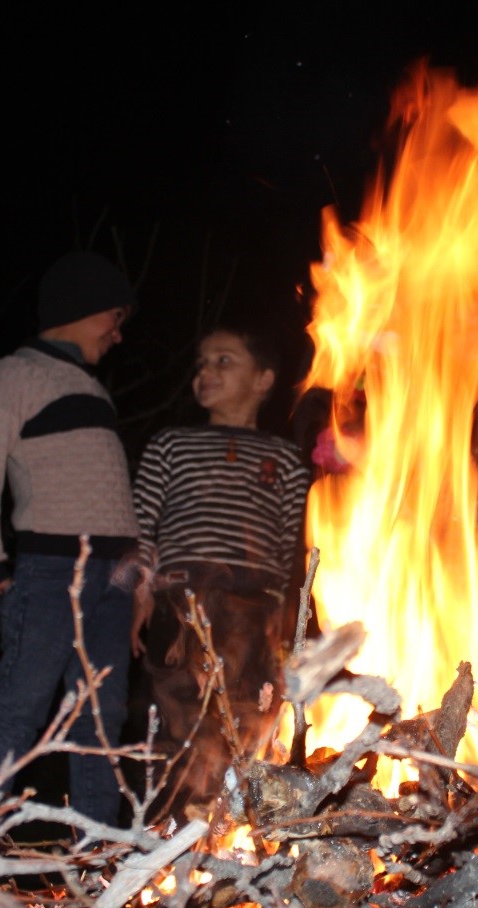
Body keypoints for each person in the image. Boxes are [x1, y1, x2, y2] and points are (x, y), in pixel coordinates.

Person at [0, 250, 139, 827]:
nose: (118, 333)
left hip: (114, 577)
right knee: (20, 707)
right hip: (54, 571)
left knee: (103, 717)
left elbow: (108, 496)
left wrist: (136, 578)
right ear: (82, 309)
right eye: (115, 316)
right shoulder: (19, 373)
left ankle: (99, 859)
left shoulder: (94, 390)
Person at [129, 324, 310, 819]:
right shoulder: (170, 445)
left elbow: (291, 547)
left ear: (263, 379)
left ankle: (233, 837)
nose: (206, 371)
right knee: (179, 722)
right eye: (202, 363)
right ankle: (168, 836)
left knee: (248, 723)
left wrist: (288, 622)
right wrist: (139, 595)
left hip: (254, 612)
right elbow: (143, 527)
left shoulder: (286, 460)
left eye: (224, 360)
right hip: (184, 604)